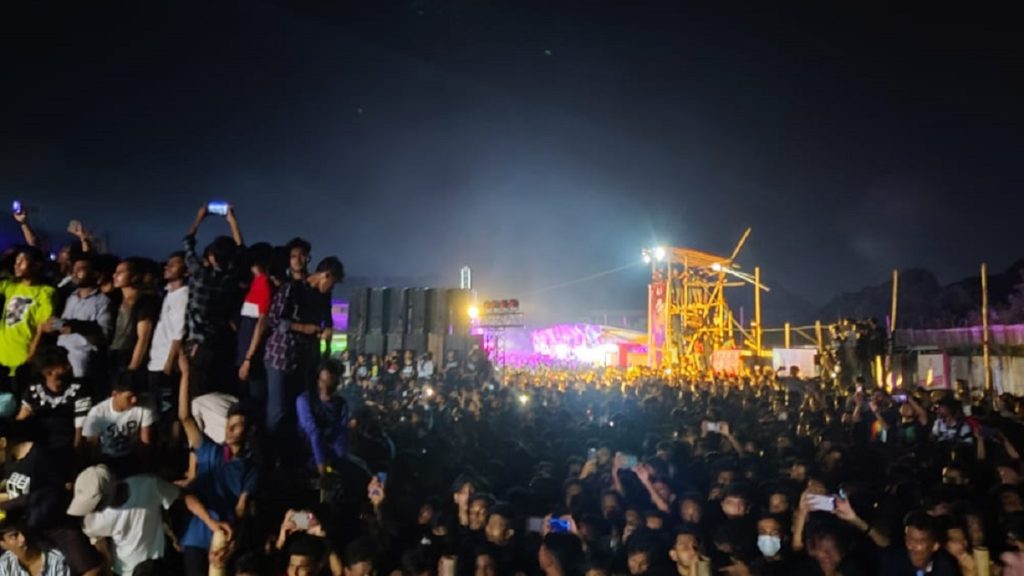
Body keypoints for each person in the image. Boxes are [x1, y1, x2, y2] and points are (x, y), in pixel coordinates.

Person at [176, 352, 258, 576]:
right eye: (229, 424)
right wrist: (186, 374)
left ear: (249, 431)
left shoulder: (250, 467)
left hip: (225, 537)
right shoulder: (209, 450)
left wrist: (231, 545)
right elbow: (185, 417)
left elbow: (241, 509)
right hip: (197, 535)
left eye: (237, 425)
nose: (229, 429)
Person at [66, 464, 229, 576]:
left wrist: (212, 524)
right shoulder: (91, 519)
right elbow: (98, 540)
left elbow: (184, 496)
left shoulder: (148, 485)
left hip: (158, 566)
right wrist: (107, 566)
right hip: (124, 572)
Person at [263, 256, 344, 460]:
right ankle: (270, 458)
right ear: (325, 275)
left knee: (297, 412)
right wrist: (303, 328)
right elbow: (273, 319)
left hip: (304, 361)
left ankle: (293, 458)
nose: (331, 288)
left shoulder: (323, 297)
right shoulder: (292, 289)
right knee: (277, 412)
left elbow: (328, 321)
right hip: (281, 357)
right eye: (332, 283)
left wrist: (327, 333)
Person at [182, 204, 244, 396]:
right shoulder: (231, 278)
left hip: (197, 344)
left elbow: (188, 243)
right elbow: (241, 251)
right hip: (221, 343)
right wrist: (232, 220)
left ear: (211, 256)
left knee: (196, 395)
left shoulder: (199, 274)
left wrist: (199, 217)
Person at [45, 253, 111, 385]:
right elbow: (64, 324)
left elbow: (103, 336)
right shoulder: (71, 298)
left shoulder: (103, 302)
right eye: (74, 269)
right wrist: (52, 325)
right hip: (60, 359)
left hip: (81, 360)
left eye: (81, 269)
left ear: (95, 274)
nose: (75, 273)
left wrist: (78, 327)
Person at [0, 246, 55, 396]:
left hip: (23, 358)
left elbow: (42, 327)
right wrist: (5, 258)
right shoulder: (9, 287)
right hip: (2, 357)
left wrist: (32, 354)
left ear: (36, 265)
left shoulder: (45, 292)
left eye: (22, 261)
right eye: (16, 261)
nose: (17, 265)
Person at [146, 251, 189, 424]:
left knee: (169, 414)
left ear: (186, 271)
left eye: (175, 264)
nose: (168, 266)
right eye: (168, 263)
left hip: (166, 362)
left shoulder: (183, 295)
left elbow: (179, 333)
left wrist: (169, 364)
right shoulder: (168, 293)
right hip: (156, 360)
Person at [81, 373, 154, 472]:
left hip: (132, 457)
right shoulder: (97, 413)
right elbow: (91, 447)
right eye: (129, 397)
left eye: (136, 395)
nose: (134, 400)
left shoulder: (144, 406)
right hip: (106, 460)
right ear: (115, 394)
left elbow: (146, 441)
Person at [296, 360, 350, 478]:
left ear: (336, 383)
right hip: (306, 455)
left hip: (330, 455)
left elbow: (340, 434)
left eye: (329, 383)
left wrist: (340, 462)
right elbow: (313, 432)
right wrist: (321, 466)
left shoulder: (341, 405)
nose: (325, 387)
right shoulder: (304, 400)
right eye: (322, 382)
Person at [0, 516, 71, 576]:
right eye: (14, 536)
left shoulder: (57, 560)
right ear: (3, 544)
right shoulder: (4, 564)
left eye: (24, 532)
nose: (23, 539)